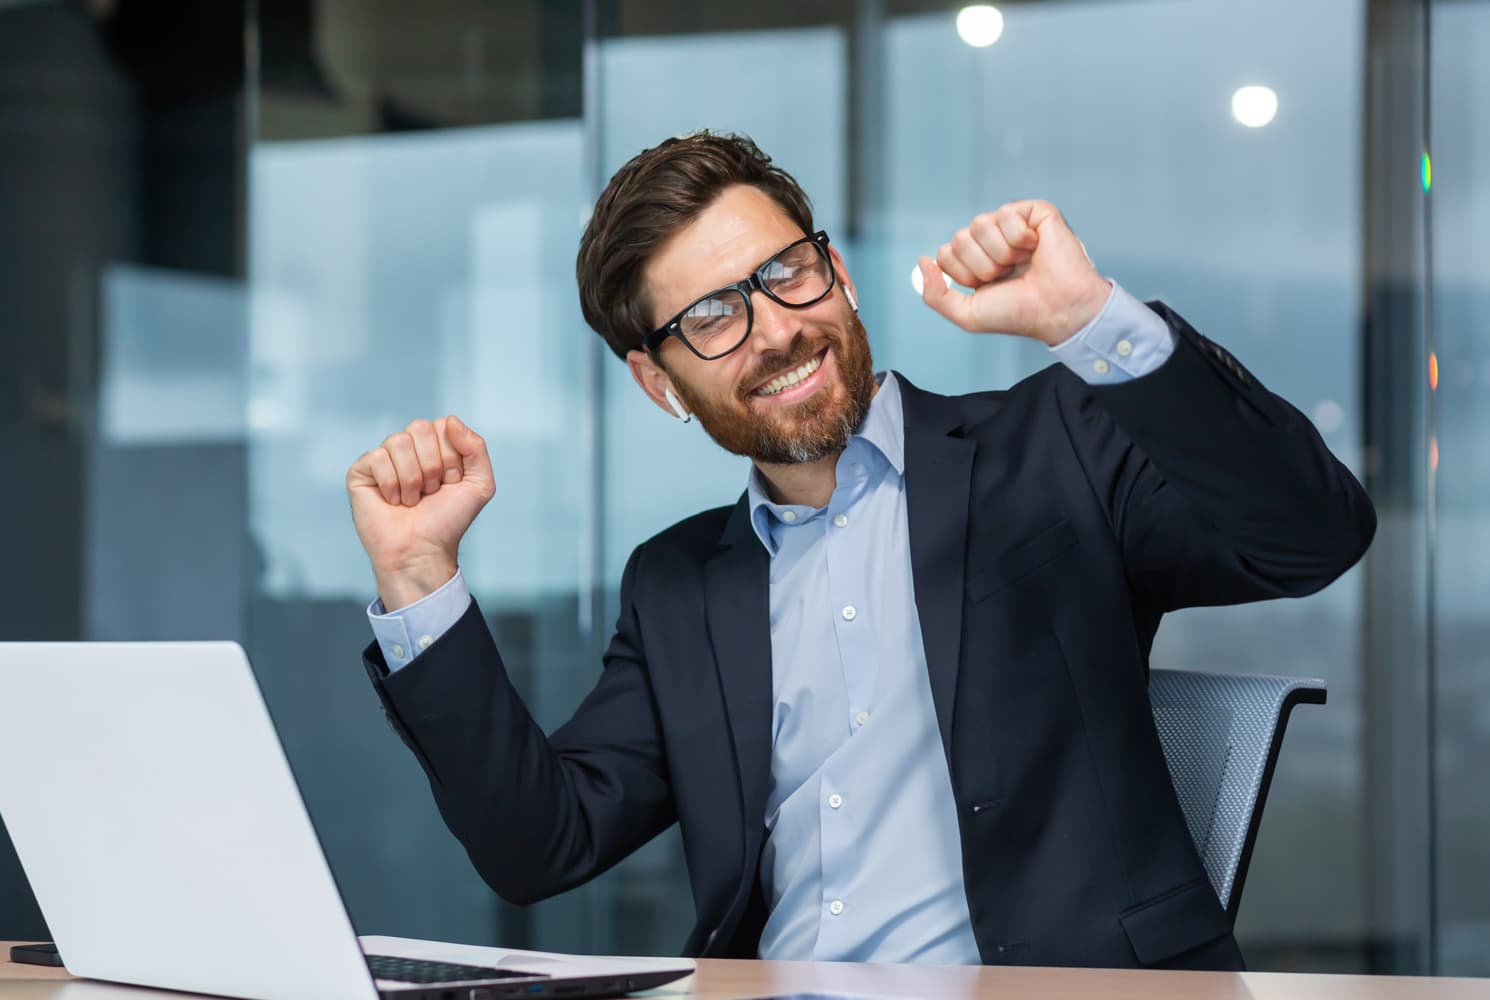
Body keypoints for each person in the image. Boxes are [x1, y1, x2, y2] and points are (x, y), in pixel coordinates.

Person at [346, 132, 1375, 971]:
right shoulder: (677, 586)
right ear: (657, 382)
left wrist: (1093, 323)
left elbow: (1313, 537)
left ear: (834, 273)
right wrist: (419, 580)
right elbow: (544, 842)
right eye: (711, 315)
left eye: (785, 273)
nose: (774, 330)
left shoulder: (1053, 444)